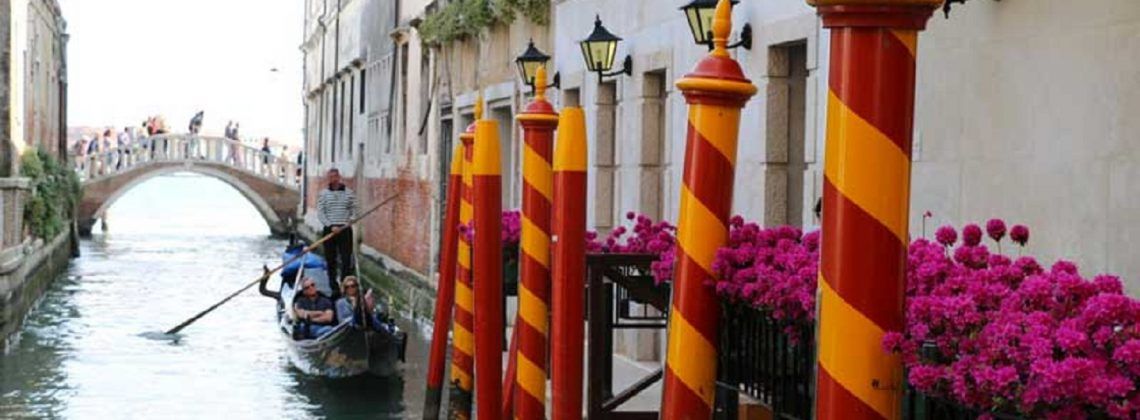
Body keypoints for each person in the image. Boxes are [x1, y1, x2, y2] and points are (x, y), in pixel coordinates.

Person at [317, 168, 356, 286]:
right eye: (330, 177)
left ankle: (345, 283)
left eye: (335, 176)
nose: (333, 179)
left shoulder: (349, 193)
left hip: (344, 229)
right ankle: (333, 284)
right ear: (328, 178)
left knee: (346, 259)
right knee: (330, 259)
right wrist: (330, 226)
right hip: (330, 230)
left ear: (339, 177)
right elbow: (320, 212)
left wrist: (351, 220)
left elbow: (354, 209)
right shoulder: (323, 194)